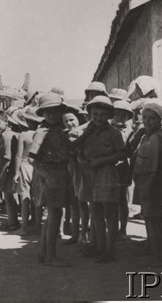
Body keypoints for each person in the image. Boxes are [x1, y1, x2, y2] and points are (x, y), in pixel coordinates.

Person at [78, 96, 127, 263]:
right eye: (95, 114)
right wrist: (82, 161)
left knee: (110, 212)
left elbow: (122, 153)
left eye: (102, 114)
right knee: (95, 211)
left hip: (106, 173)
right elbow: (79, 151)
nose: (98, 118)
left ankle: (110, 249)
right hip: (90, 174)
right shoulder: (87, 133)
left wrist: (101, 161)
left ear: (108, 116)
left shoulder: (114, 133)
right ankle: (99, 247)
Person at [29, 93, 72, 267]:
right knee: (54, 215)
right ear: (43, 114)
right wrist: (48, 177)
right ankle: (50, 256)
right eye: (49, 112)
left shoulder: (59, 130)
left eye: (56, 111)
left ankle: (43, 252)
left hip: (60, 173)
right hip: (51, 174)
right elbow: (31, 158)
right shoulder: (42, 132)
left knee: (53, 215)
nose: (53, 115)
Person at [133, 101, 162, 267]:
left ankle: (158, 257)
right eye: (145, 117)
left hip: (153, 181)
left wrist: (148, 185)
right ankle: (159, 252)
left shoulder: (156, 138)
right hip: (146, 180)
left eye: (152, 118)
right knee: (153, 218)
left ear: (160, 121)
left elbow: (154, 164)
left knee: (153, 220)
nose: (147, 121)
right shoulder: (145, 135)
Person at [13, 106, 42, 235]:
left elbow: (19, 155)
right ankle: (37, 225)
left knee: (24, 196)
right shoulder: (41, 134)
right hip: (37, 166)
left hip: (25, 165)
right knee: (37, 197)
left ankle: (24, 227)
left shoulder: (23, 135)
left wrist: (15, 173)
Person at [111, 100, 134, 240]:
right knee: (109, 200)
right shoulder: (107, 129)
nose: (119, 117)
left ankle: (123, 228)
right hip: (108, 167)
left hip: (122, 168)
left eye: (123, 115)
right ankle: (111, 228)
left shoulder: (130, 132)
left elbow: (131, 150)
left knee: (121, 199)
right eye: (116, 114)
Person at [62, 110, 86, 244]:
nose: (69, 123)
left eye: (71, 120)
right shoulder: (66, 134)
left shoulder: (83, 133)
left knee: (82, 203)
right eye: (66, 121)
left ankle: (83, 235)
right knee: (73, 205)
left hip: (81, 170)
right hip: (70, 170)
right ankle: (75, 234)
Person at [0, 110, 19, 230]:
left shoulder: (6, 136)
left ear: (6, 122)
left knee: (8, 196)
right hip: (13, 169)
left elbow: (7, 157)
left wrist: (1, 174)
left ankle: (12, 222)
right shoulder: (13, 134)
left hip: (8, 170)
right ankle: (12, 221)